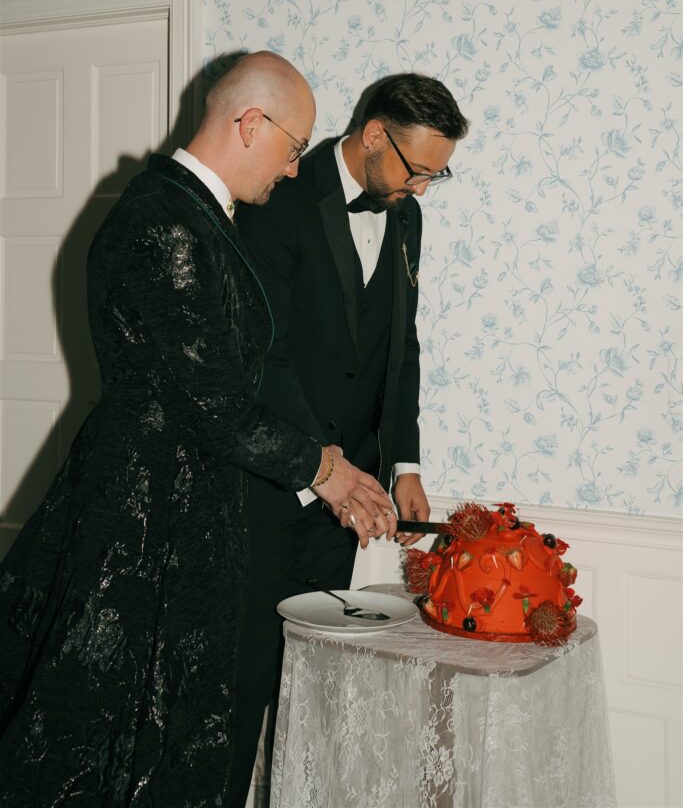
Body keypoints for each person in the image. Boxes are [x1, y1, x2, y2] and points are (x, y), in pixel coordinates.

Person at [0, 51, 397, 806]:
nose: (290, 172)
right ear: (250, 124)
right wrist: (327, 470)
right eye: (291, 150)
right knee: (117, 738)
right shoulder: (165, 219)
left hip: (179, 505)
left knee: (165, 731)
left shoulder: (194, 212)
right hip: (143, 517)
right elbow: (214, 404)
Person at [229, 72, 469, 805]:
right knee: (243, 689)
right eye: (417, 170)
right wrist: (317, 469)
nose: (423, 190)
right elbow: (261, 357)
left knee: (320, 686)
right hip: (268, 492)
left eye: (438, 174)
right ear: (372, 136)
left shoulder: (404, 217)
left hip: (353, 499)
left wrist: (402, 461)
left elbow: (400, 346)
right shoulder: (279, 197)